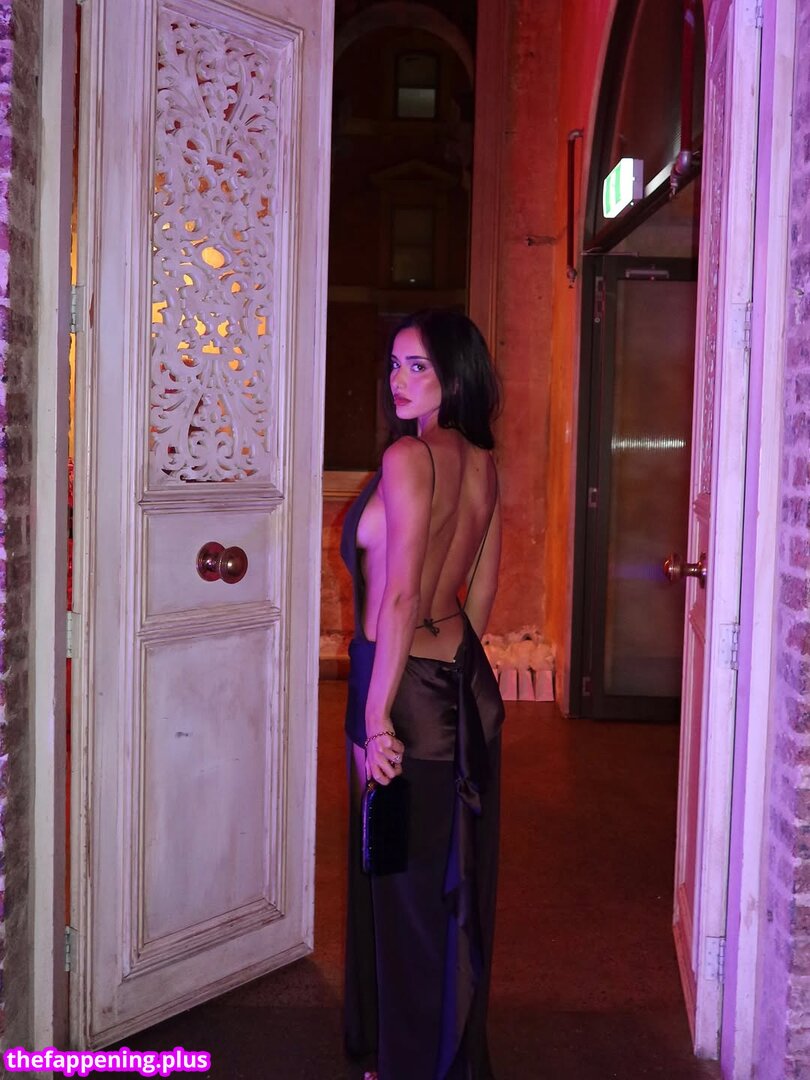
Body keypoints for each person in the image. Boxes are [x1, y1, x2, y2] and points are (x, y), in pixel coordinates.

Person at [340, 309, 504, 1080]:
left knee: (399, 882)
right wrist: (456, 678)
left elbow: (400, 596)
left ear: (455, 376)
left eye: (419, 367)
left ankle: (406, 1063)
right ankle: (429, 1049)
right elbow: (482, 592)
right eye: (396, 364)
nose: (399, 380)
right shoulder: (485, 464)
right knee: (442, 880)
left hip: (396, 686)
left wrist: (378, 718)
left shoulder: (409, 457)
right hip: (457, 683)